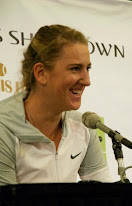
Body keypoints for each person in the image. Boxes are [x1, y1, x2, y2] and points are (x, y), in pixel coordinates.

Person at [0, 24, 113, 185]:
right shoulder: (3, 127)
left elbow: (105, 199)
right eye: (75, 68)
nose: (87, 81)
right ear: (41, 73)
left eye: (87, 68)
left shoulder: (84, 127)